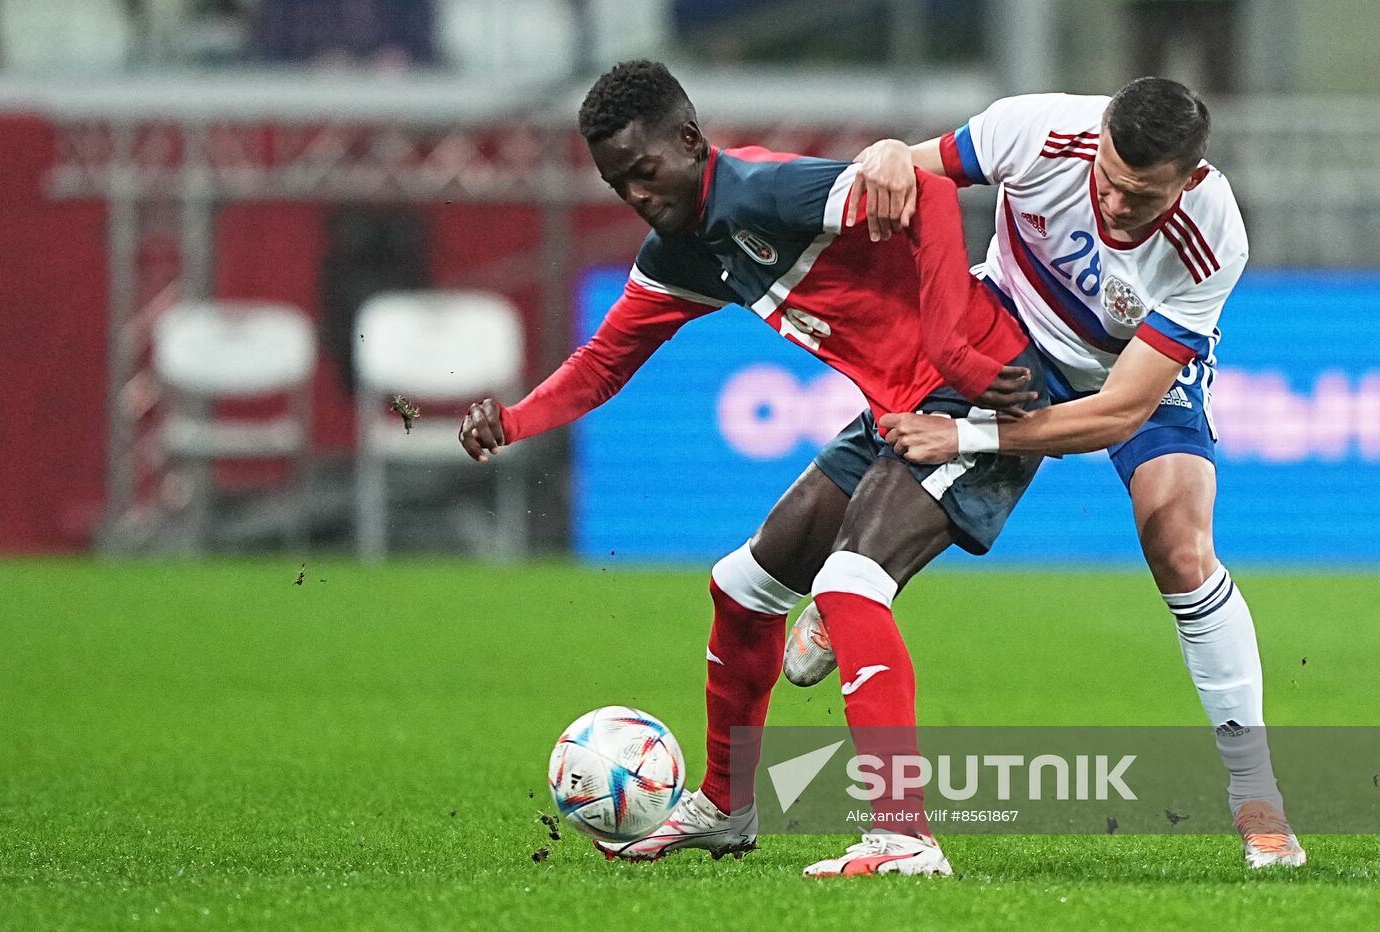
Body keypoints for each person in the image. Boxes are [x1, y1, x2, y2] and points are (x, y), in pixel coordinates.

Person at [458, 59, 1048, 878]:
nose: (634, 193)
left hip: (981, 389)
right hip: (895, 409)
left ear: (691, 141)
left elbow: (933, 192)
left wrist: (952, 343)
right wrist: (514, 420)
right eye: (614, 181)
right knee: (743, 586)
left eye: (644, 169)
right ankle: (727, 809)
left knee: (848, 585)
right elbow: (603, 363)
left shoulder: (769, 193)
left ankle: (904, 836)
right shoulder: (680, 250)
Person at [785, 77, 1305, 868]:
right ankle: (858, 589)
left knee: (1181, 544)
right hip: (1009, 325)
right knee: (901, 451)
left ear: (1190, 180)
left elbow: (1118, 414)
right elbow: (911, 172)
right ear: (1098, 139)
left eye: (1144, 198)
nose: (1119, 207)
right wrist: (889, 152)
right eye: (1111, 182)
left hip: (1125, 372)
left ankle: (1255, 796)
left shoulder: (1213, 234)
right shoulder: (1035, 131)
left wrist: (963, 434)